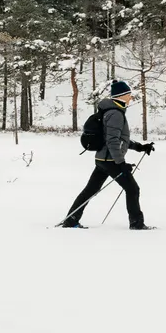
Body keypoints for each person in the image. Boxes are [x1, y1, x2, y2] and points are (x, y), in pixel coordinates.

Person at [60, 80, 155, 230]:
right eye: (128, 95)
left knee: (90, 190)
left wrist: (139, 147)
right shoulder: (115, 114)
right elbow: (112, 141)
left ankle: (71, 219)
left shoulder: (112, 111)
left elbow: (120, 139)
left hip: (102, 160)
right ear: (121, 96)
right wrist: (121, 163)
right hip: (110, 160)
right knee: (132, 189)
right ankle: (137, 224)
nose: (130, 97)